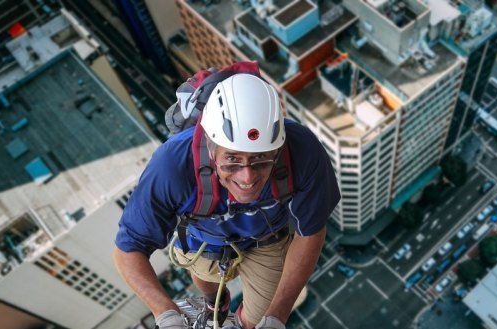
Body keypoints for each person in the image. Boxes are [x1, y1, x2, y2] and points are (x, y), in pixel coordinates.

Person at [113, 67, 340, 329]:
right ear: (210, 148)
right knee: (203, 273)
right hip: (204, 239)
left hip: (266, 240)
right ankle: (213, 302)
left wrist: (277, 317)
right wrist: (167, 316)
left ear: (278, 149)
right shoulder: (172, 165)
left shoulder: (303, 151)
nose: (247, 178)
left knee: (258, 319)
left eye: (261, 159)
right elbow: (128, 250)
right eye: (232, 159)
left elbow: (311, 231)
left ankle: (240, 323)